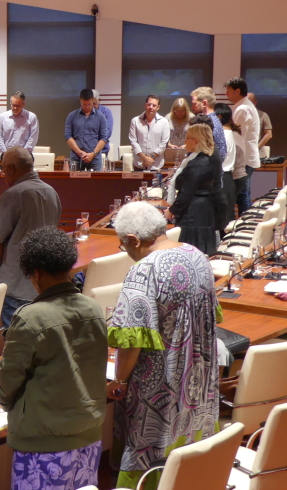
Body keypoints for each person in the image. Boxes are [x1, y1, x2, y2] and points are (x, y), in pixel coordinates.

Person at [108, 202, 220, 489]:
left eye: (123, 245)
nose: (126, 251)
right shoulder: (197, 255)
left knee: (150, 448)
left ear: (133, 240)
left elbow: (131, 339)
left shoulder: (144, 270)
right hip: (197, 381)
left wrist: (120, 380)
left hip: (160, 388)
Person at [0, 226, 107, 490]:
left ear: (36, 273)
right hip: (89, 437)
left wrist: (3, 399)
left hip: (44, 446)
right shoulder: (93, 307)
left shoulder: (30, 318)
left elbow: (6, 383)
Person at [0, 147, 62, 325]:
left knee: (15, 337)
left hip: (16, 286)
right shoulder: (52, 192)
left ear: (10, 169)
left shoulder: (14, 194)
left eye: (3, 171)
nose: (4, 176)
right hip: (44, 282)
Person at [163, 123, 223, 255]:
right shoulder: (209, 159)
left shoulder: (196, 164)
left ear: (195, 141)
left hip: (193, 215)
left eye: (187, 138)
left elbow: (186, 193)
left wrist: (172, 211)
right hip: (204, 211)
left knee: (189, 254)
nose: (184, 142)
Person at [225, 77, 260, 215]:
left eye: (228, 90)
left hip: (244, 157)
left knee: (242, 195)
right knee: (243, 194)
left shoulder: (243, 108)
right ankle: (244, 223)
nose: (226, 93)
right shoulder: (244, 106)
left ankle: (244, 224)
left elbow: (239, 137)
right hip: (247, 156)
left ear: (237, 91)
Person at [215, 103, 245, 229]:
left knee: (222, 222)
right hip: (229, 178)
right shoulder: (232, 133)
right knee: (227, 218)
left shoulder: (222, 135)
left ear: (219, 117)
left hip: (224, 178)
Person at [65, 88, 109, 171]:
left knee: (96, 179)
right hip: (76, 157)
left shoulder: (101, 117)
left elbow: (104, 138)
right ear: (80, 100)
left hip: (95, 158)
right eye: (84, 104)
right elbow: (68, 136)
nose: (86, 107)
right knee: (74, 179)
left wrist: (93, 154)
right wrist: (80, 152)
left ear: (93, 100)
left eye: (89, 104)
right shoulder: (72, 116)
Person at [128, 94, 170, 171]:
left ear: (158, 107)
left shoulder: (164, 122)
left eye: (154, 105)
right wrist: (144, 158)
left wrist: (151, 158)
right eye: (149, 104)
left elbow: (164, 143)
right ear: (145, 105)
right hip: (139, 164)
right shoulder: (135, 121)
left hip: (157, 165)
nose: (151, 107)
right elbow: (133, 141)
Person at [0, 91, 39, 156]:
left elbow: (33, 137)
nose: (15, 108)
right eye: (13, 105)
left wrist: (23, 153)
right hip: (6, 154)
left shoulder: (31, 117)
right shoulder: (2, 117)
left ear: (23, 104)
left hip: (25, 155)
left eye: (18, 105)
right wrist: (5, 152)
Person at [189, 86, 227, 161]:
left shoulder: (207, 123)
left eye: (194, 104)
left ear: (204, 103)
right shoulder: (215, 120)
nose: (192, 107)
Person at [92, 89, 114, 159]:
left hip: (102, 150)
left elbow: (108, 132)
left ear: (99, 100)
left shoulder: (106, 112)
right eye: (90, 104)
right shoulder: (85, 113)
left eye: (94, 103)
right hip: (86, 150)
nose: (92, 106)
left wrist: (97, 146)